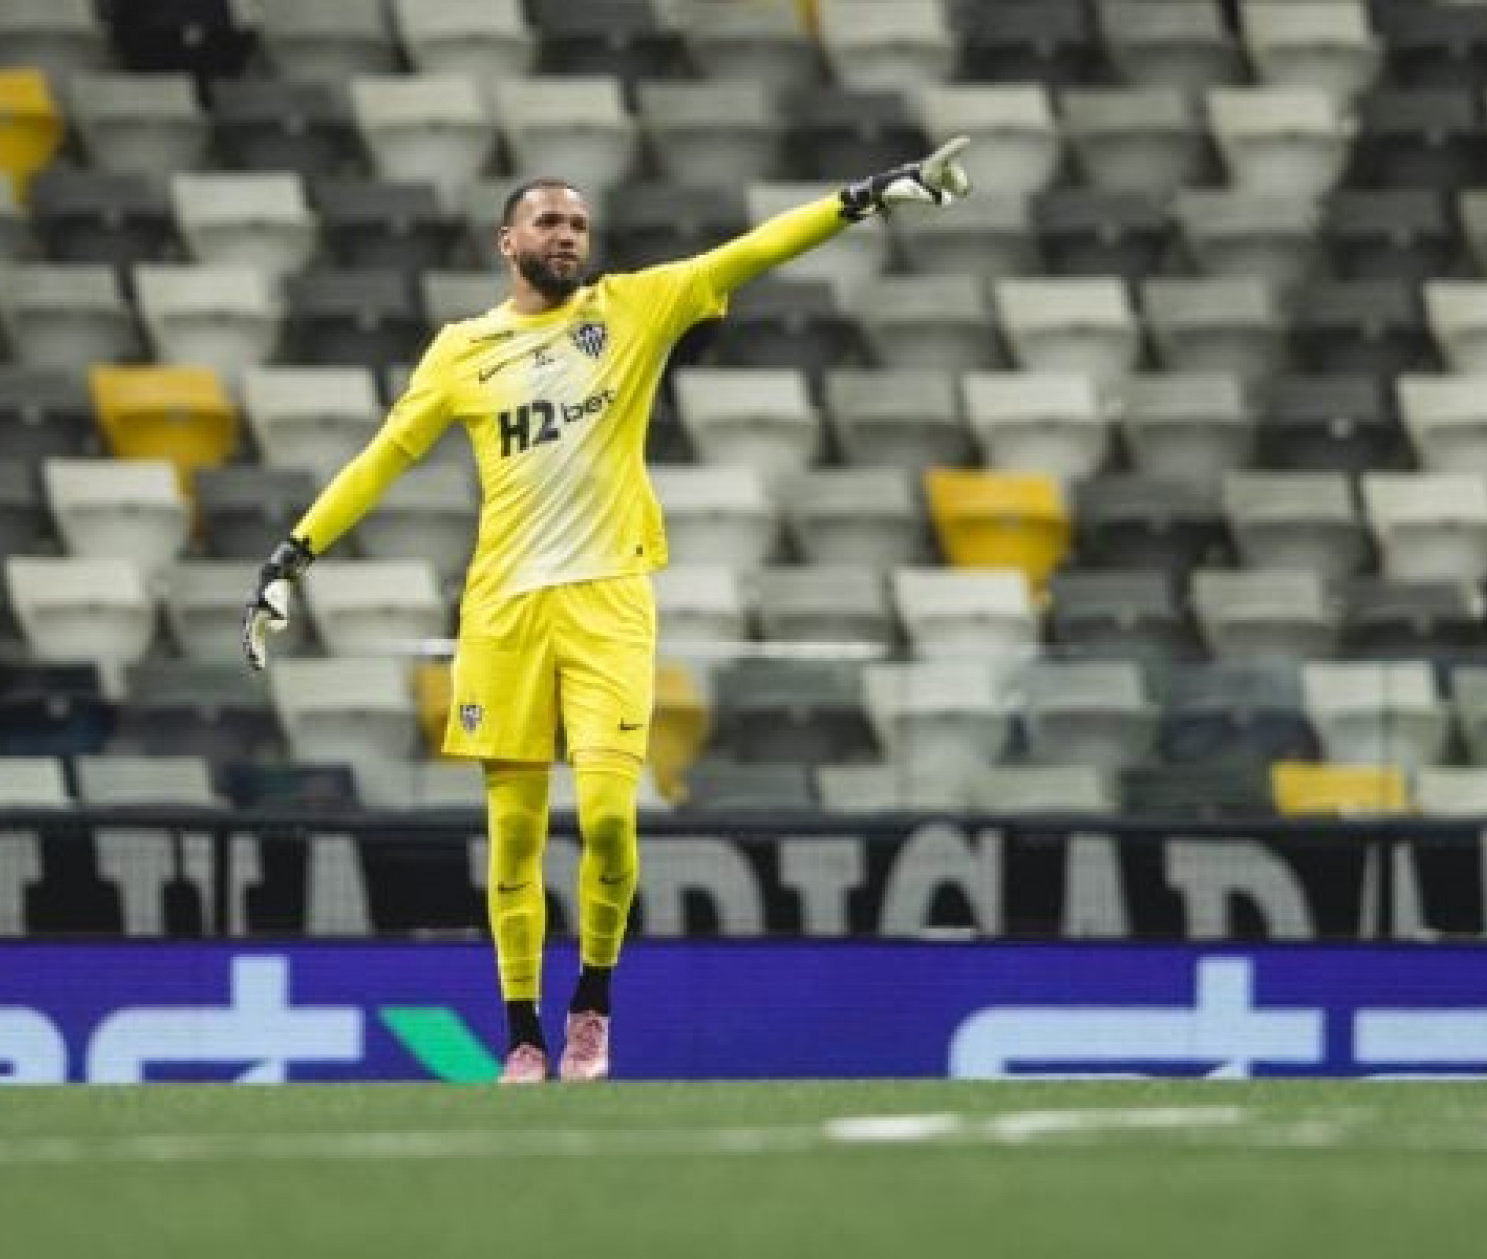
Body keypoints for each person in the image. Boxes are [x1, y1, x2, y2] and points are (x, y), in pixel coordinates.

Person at [239, 138, 975, 1083]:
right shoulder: (462, 349)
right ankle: (521, 1033)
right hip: (501, 612)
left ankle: (591, 1001)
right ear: (507, 240)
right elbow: (385, 455)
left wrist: (868, 198)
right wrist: (290, 554)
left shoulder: (631, 309)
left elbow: (746, 253)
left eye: (579, 223)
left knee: (610, 820)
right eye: (549, 220)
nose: (568, 234)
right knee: (510, 836)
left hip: (607, 603)